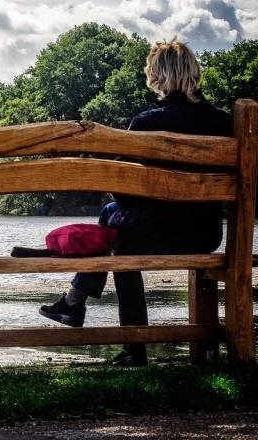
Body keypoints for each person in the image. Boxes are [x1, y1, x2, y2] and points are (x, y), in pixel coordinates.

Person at [38, 39, 232, 366]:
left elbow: (121, 189)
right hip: (206, 235)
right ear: (193, 73)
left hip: (155, 234)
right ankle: (74, 302)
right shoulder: (225, 122)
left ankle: (129, 345)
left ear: (157, 74)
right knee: (113, 218)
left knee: (118, 235)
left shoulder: (145, 124)